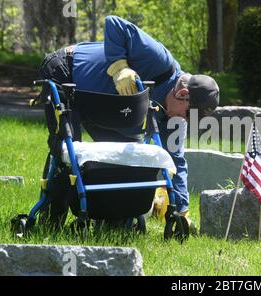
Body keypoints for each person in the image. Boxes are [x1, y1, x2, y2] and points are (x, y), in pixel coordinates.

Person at [37, 15, 220, 229]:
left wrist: (182, 211)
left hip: (104, 104)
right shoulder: (158, 60)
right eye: (189, 114)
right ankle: (50, 222)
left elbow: (176, 162)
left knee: (127, 160)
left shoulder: (174, 117)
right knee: (66, 153)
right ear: (183, 93)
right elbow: (114, 23)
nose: (186, 120)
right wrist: (120, 66)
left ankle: (109, 219)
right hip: (66, 73)